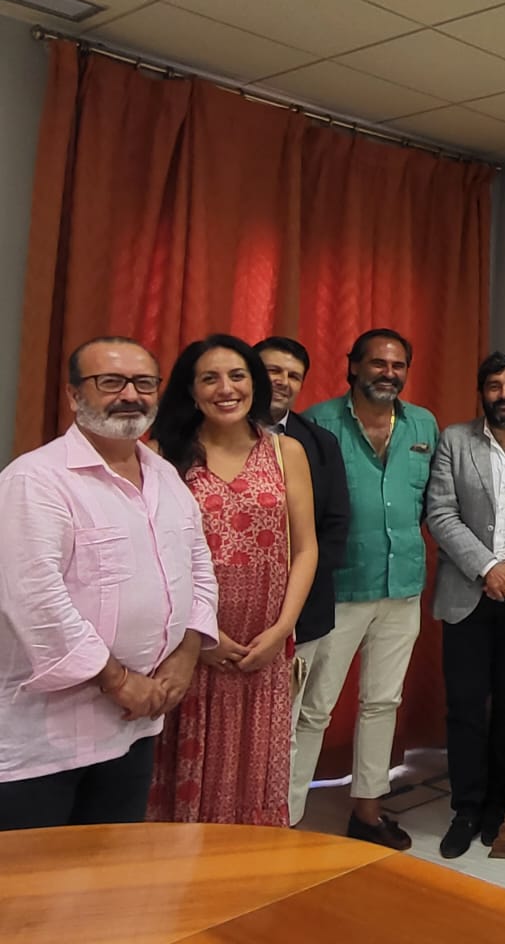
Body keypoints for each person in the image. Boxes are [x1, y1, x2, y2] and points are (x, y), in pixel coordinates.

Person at [0, 337, 218, 830]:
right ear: (75, 396)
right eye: (110, 382)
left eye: (144, 383)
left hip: (135, 725)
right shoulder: (36, 480)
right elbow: (33, 599)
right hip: (46, 741)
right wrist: (119, 682)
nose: (130, 395)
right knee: (32, 889)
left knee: (110, 874)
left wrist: (184, 660)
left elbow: (199, 568)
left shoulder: (165, 475)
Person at [146, 335, 318, 825]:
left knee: (255, 775)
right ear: (191, 390)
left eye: (237, 376)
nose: (226, 388)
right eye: (210, 378)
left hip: (263, 648)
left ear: (255, 384)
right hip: (188, 647)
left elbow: (305, 548)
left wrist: (282, 630)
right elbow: (152, 555)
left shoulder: (287, 453)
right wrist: (200, 635)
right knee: (185, 774)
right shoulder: (162, 455)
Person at [295, 328, 439, 850]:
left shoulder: (423, 424)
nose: (388, 373)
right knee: (313, 707)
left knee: (382, 702)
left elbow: (432, 502)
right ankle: (284, 818)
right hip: (338, 590)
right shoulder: (316, 423)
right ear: (353, 366)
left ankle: (368, 811)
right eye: (377, 363)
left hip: (402, 588)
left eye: (398, 365)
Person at [426, 352, 505, 858]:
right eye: (495, 386)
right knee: (463, 709)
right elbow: (440, 512)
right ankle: (466, 806)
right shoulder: (455, 441)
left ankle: (499, 804)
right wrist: (487, 568)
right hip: (467, 594)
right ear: (481, 392)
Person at [255, 336, 351, 826]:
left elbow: (335, 526)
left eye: (293, 375)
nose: (282, 382)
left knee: (289, 728)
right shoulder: (201, 437)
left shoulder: (318, 443)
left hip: (302, 614)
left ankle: (285, 823)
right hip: (220, 620)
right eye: (272, 370)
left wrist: (291, 597)